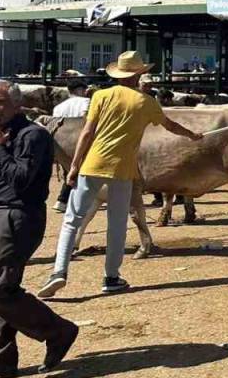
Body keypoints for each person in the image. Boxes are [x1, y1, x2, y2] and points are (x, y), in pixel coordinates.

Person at [38, 51, 203, 298]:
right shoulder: (146, 102)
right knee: (117, 224)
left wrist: (74, 167)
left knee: (72, 219)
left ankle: (59, 272)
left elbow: (87, 133)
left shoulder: (100, 96)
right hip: (123, 170)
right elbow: (170, 126)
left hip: (92, 165)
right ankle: (111, 277)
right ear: (139, 75)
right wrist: (193, 136)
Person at [0, 81, 80, 376]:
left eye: (0, 102)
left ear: (17, 104)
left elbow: (22, 180)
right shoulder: (1, 134)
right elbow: (0, 185)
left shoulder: (32, 135)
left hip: (18, 219)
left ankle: (58, 331)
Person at [49, 80, 91, 214]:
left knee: (69, 170)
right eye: (84, 89)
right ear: (80, 89)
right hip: (80, 139)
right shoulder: (87, 103)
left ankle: (64, 200)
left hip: (61, 142)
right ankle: (64, 200)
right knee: (79, 171)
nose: (86, 92)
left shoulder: (59, 107)